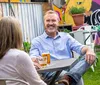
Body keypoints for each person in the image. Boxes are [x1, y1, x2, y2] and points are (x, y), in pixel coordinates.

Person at [29, 10, 96, 85]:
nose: (50, 23)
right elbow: (33, 56)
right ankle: (69, 77)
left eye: (53, 20)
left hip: (69, 70)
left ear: (58, 22)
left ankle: (68, 77)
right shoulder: (37, 41)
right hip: (51, 73)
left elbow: (80, 48)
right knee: (76, 78)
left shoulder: (66, 37)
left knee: (90, 55)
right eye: (48, 20)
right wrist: (34, 60)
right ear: (44, 22)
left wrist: (89, 50)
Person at [0, 16, 47, 85]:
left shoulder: (5, 55)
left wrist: (29, 65)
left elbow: (10, 71)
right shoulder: (19, 56)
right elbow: (37, 83)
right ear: (17, 34)